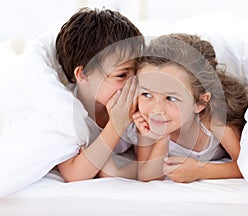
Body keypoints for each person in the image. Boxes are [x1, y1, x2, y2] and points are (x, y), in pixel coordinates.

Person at [0, 7, 144, 197]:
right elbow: (75, 174)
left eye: (137, 72)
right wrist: (116, 125)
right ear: (83, 75)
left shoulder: (138, 100)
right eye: (122, 75)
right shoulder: (65, 114)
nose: (133, 83)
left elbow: (147, 163)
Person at [133, 33, 248, 182]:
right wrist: (160, 139)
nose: (156, 110)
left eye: (171, 98)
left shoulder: (213, 119)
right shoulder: (144, 123)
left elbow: (246, 166)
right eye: (147, 94)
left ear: (200, 103)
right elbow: (147, 177)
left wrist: (200, 171)